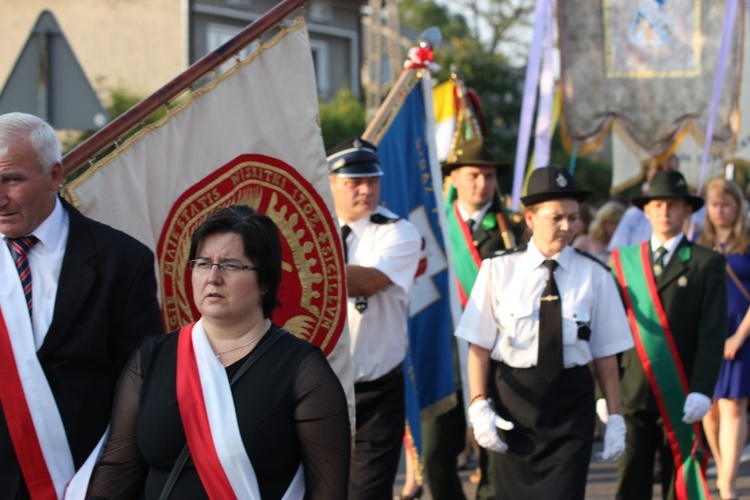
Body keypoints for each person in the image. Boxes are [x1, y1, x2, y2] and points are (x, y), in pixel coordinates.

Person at [88, 205, 351, 498]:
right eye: (202, 263)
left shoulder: (302, 370)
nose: (213, 277)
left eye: (230, 265)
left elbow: (328, 491)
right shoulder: (151, 358)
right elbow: (118, 468)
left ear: (265, 280)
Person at [0, 112, 163, 498]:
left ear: (55, 175)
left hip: (88, 483)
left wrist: (110, 482)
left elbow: (142, 386)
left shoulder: (121, 261)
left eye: (12, 179)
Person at [456, 165, 633, 499]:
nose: (567, 226)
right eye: (556, 217)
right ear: (530, 218)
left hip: (571, 409)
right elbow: (479, 347)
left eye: (573, 217)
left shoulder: (595, 275)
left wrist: (616, 417)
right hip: (514, 407)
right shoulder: (499, 270)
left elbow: (606, 356)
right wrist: (479, 405)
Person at [612, 170, 727, 500]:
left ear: (687, 210)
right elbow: (610, 332)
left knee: (681, 484)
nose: (665, 212)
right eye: (658, 205)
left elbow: (712, 333)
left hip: (683, 390)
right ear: (646, 211)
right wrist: (604, 390)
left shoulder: (707, 264)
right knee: (631, 480)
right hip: (633, 391)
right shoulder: (623, 262)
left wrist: (703, 389)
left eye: (673, 205)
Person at [327, 137, 422, 500]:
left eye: (373, 180)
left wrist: (301, 265)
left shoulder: (398, 231)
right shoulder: (310, 232)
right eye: (354, 182)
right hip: (319, 388)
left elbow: (369, 282)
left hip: (375, 392)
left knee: (366, 493)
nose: (366, 190)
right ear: (330, 182)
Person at [440, 137, 514, 500]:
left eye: (488, 175)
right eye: (472, 174)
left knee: (495, 451)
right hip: (442, 352)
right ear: (453, 178)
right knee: (438, 452)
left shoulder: (512, 230)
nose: (481, 183)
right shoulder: (434, 227)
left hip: (494, 353)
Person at [697, 177, 750, 500]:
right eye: (715, 205)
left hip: (742, 335)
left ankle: (727, 484)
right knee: (709, 409)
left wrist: (738, 337)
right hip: (707, 336)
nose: (720, 211)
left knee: (733, 407)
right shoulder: (697, 241)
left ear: (737, 206)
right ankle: (721, 465)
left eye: (726, 204)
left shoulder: (747, 241)